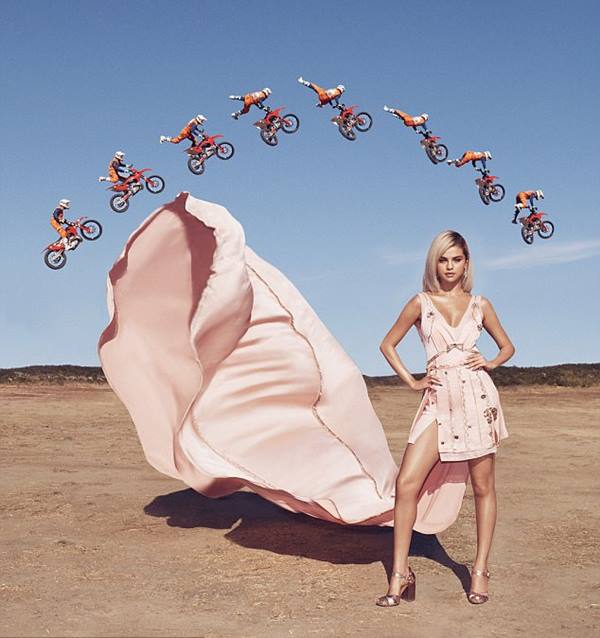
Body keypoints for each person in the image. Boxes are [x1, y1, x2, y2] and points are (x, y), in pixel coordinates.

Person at [376, 230, 514, 607]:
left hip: (476, 398)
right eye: (443, 259)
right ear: (434, 264)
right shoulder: (420, 303)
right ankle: (400, 574)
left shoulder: (480, 305)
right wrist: (412, 381)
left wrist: (490, 362)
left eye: (456, 259)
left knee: (483, 487)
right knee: (406, 483)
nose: (449, 266)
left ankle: (480, 569)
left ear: (466, 264)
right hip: (437, 400)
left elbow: (507, 346)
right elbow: (387, 344)